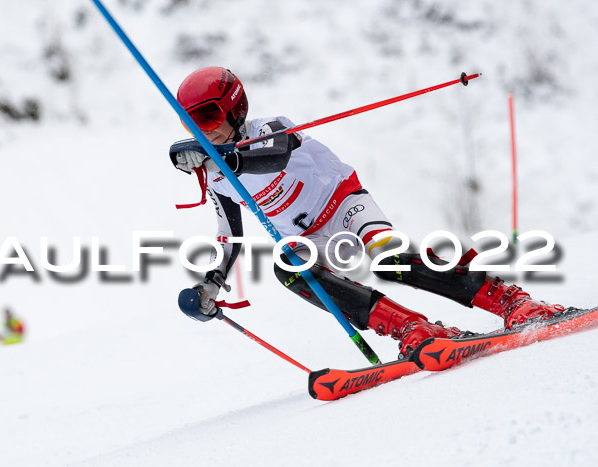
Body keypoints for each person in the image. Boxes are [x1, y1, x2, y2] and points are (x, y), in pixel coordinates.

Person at [169, 66, 564, 357]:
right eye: (191, 121)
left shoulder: (271, 129)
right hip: (309, 239)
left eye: (208, 117)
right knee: (288, 270)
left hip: (343, 205)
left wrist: (230, 161)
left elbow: (273, 157)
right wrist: (211, 283)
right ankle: (413, 327)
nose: (201, 130)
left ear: (234, 111)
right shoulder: (218, 177)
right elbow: (228, 236)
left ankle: (507, 300)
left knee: (388, 258)